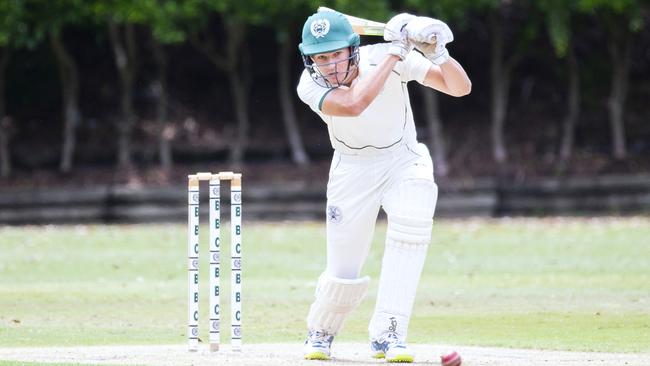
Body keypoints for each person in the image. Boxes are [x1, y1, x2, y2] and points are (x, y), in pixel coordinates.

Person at [296, 10, 471, 363]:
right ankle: (322, 329)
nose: (329, 65)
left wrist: (438, 54)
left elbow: (460, 88)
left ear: (353, 48)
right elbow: (354, 103)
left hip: (403, 159)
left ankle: (389, 332)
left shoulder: (387, 57)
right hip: (352, 171)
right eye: (320, 57)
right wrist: (397, 49)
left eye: (335, 54)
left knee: (412, 225)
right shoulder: (309, 84)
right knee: (344, 267)